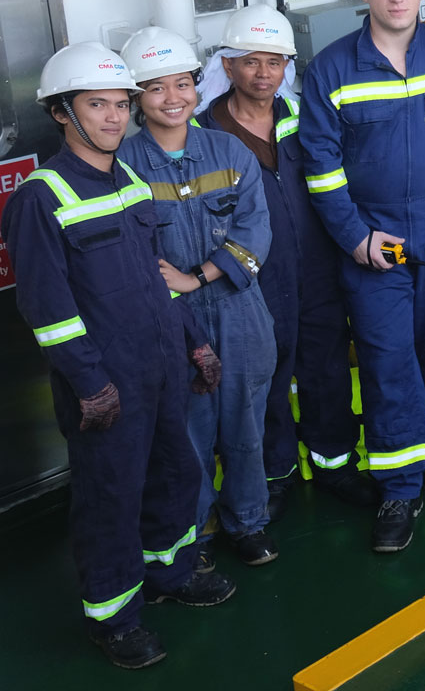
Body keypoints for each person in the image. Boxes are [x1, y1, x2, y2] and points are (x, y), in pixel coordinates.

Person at [1, 43, 232, 670]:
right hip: (106, 382)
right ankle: (115, 617)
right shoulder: (40, 197)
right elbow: (46, 308)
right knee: (111, 495)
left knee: (176, 474)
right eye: (96, 105)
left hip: (161, 365)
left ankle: (172, 571)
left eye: (120, 104)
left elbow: (157, 277)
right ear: (60, 113)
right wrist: (90, 382)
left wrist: (194, 341)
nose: (113, 117)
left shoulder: (129, 179)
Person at [299, 0, 425, 553]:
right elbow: (321, 167)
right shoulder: (331, 69)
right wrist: (354, 238)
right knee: (385, 355)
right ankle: (399, 488)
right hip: (376, 241)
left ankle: (423, 451)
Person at [197, 6, 373, 512]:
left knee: (327, 369)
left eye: (274, 63)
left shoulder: (304, 118)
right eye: (250, 62)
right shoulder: (206, 136)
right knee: (263, 381)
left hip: (317, 269)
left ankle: (336, 462)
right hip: (250, 281)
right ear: (227, 66)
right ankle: (275, 474)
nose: (263, 74)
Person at [119, 28, 276, 567]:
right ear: (136, 99)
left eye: (182, 84)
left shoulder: (229, 150)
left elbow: (257, 229)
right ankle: (194, 534)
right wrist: (174, 290)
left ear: (197, 86)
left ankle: (249, 521)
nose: (173, 98)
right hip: (172, 324)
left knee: (245, 429)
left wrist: (200, 276)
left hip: (239, 313)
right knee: (185, 435)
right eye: (156, 88)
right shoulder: (125, 167)